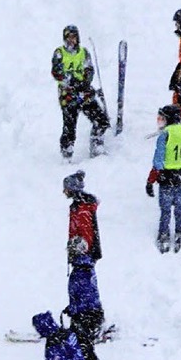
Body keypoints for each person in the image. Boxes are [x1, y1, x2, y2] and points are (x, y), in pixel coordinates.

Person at [51, 25, 110, 159]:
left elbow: (89, 70)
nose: (71, 40)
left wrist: (84, 83)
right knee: (70, 127)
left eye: (74, 37)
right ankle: (67, 153)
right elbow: (56, 72)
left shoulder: (84, 52)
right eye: (69, 38)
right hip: (68, 95)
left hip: (83, 93)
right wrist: (70, 82)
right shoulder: (59, 52)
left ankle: (96, 144)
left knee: (101, 120)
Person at [146, 105, 181, 253]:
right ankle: (180, 232)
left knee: (165, 210)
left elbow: (158, 161)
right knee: (180, 209)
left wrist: (150, 181)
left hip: (167, 178)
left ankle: (164, 234)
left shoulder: (165, 135)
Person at [62, 239, 105, 360]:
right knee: (82, 348)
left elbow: (86, 296)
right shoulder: (83, 267)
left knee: (84, 349)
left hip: (86, 316)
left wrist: (75, 309)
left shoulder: (82, 271)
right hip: (87, 313)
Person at [63, 170, 102, 263]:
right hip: (81, 257)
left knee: (82, 277)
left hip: (83, 258)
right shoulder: (77, 207)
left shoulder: (82, 209)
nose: (64, 191)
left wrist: (78, 251)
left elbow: (86, 232)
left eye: (66, 188)